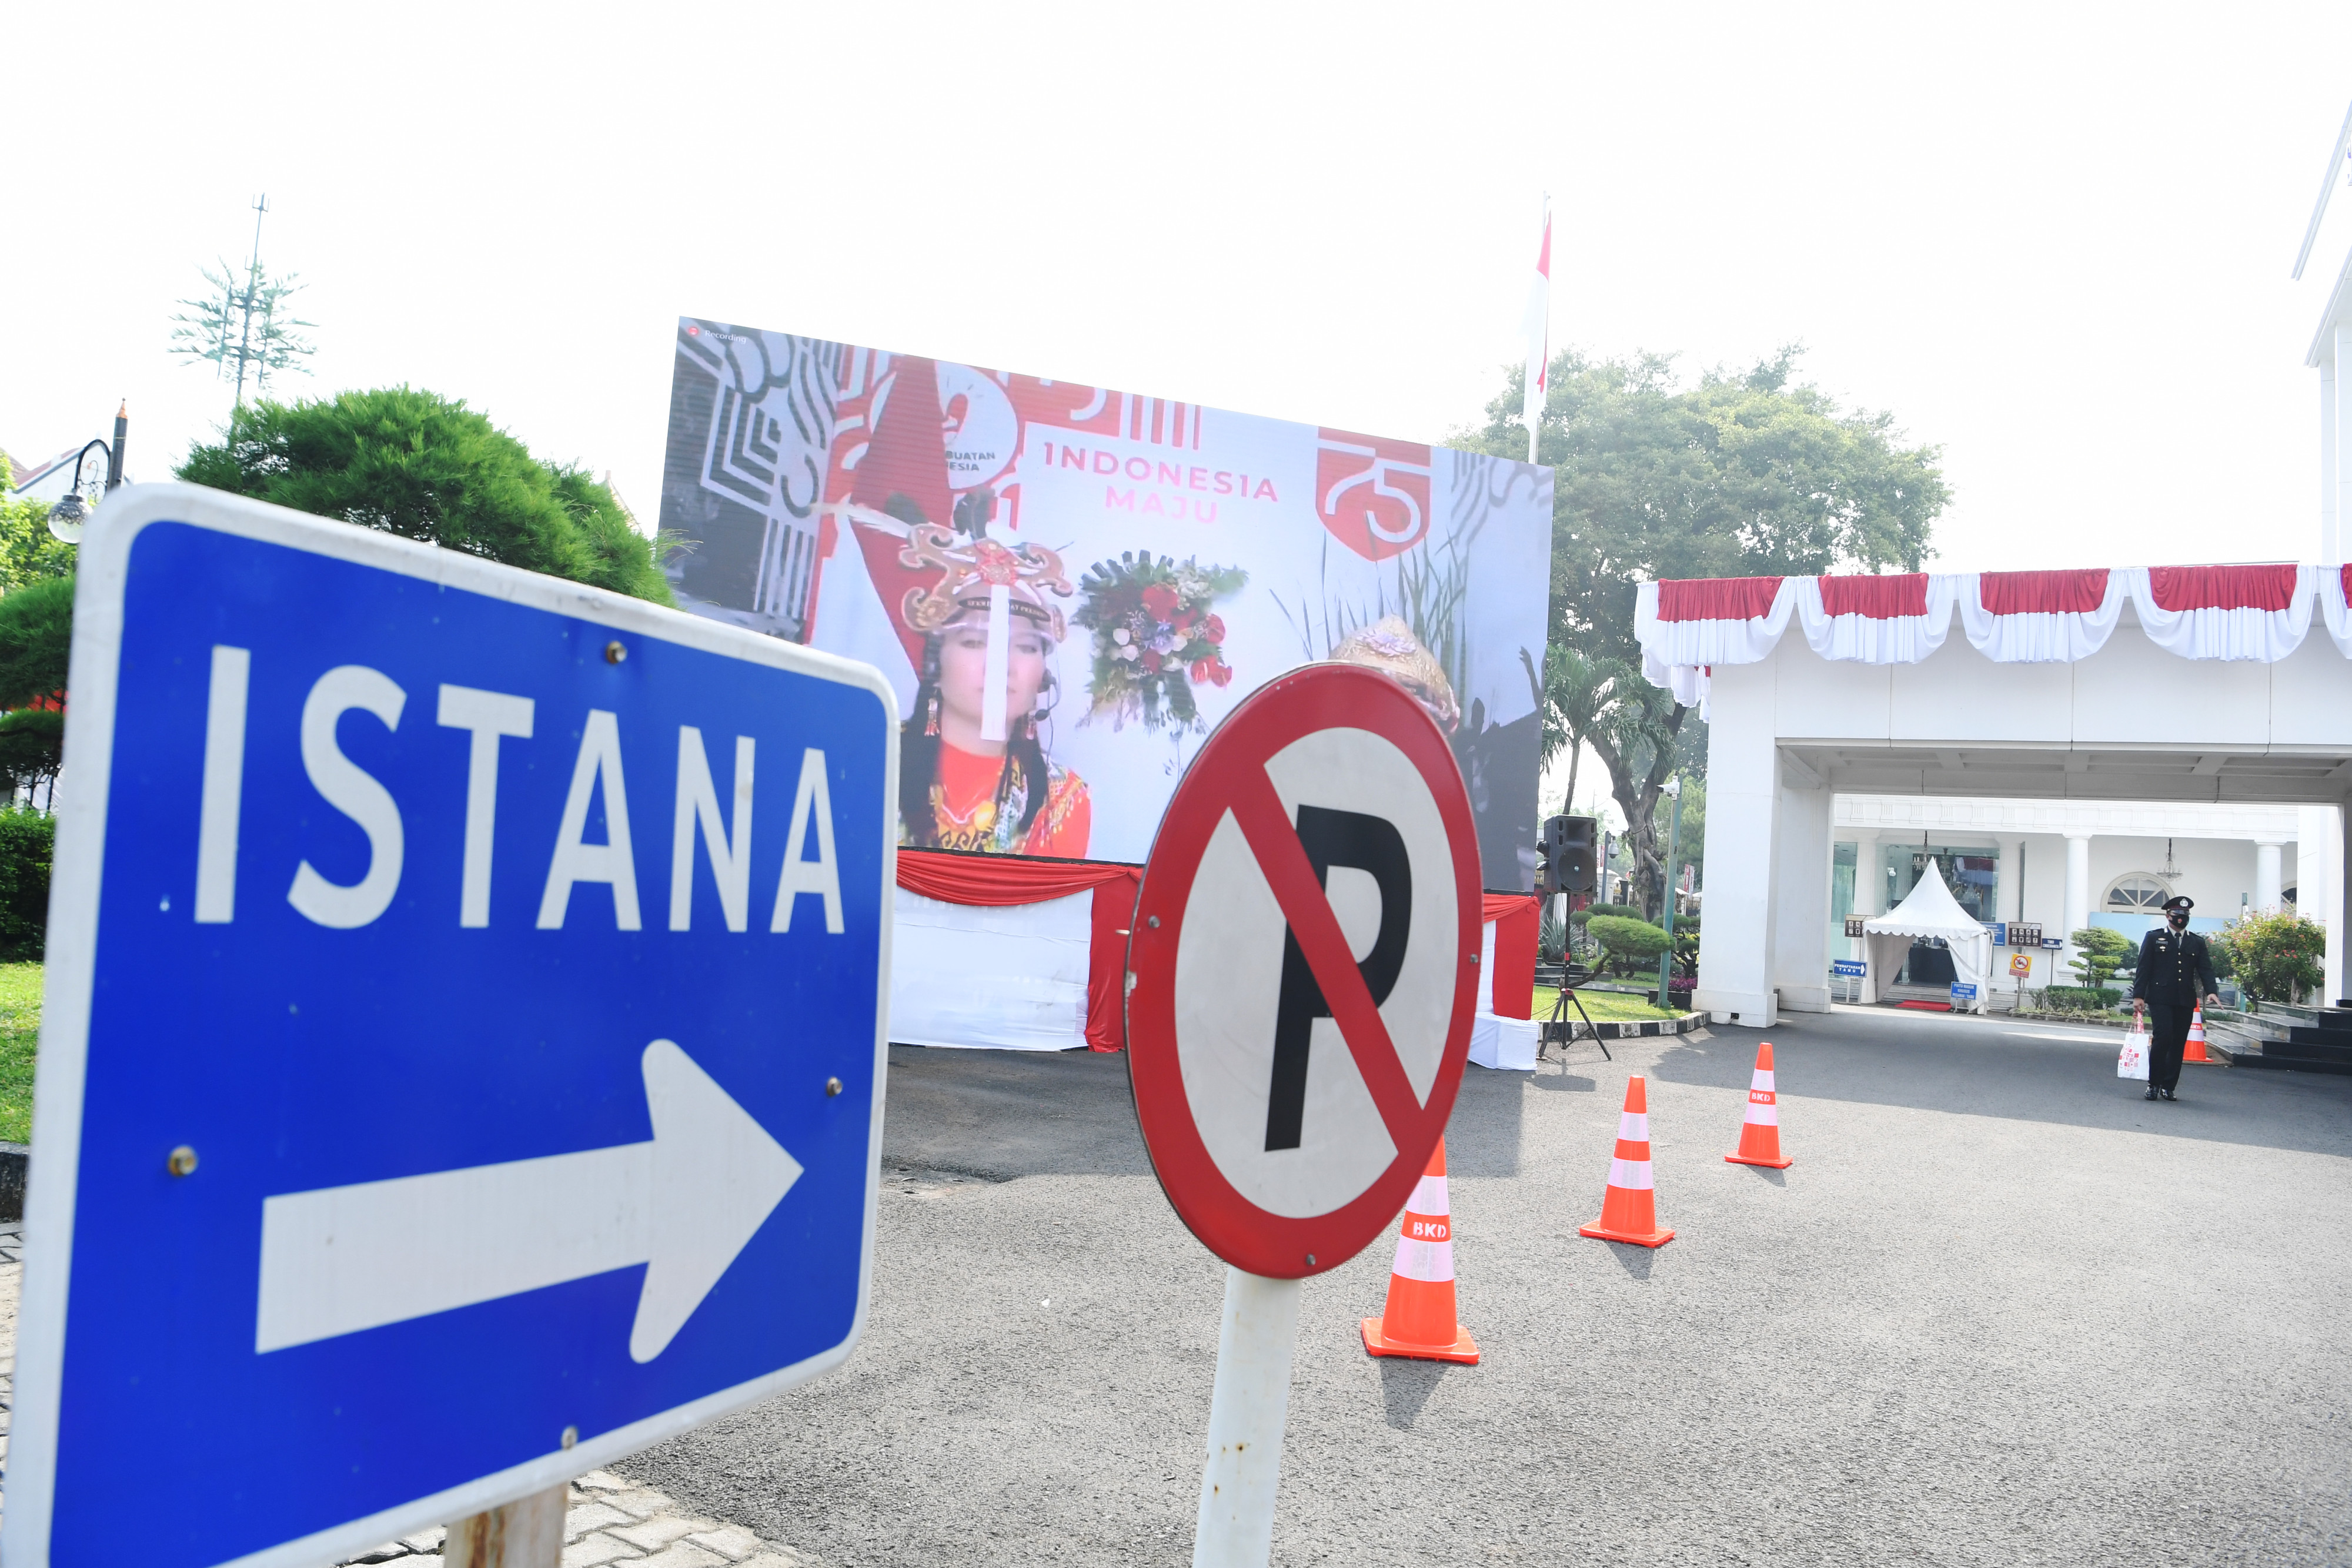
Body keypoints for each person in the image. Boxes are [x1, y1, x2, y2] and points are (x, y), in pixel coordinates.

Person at [896, 513, 1091, 857]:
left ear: (1042, 676)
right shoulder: (871, 756)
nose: (1001, 665)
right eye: (974, 642)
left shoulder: (1061, 798)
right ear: (934, 664)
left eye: (1026, 647)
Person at [2130, 895, 2219, 1102]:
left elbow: (2205, 968)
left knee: (2178, 1043)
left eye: (2185, 915)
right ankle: (2154, 1084)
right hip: (2160, 997)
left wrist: (2211, 991)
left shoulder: (2196, 942)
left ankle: (2169, 1086)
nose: (2181, 919)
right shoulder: (2154, 938)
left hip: (2185, 999)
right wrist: (2138, 996)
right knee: (2163, 1038)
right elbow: (2144, 968)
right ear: (2168, 916)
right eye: (2177, 915)